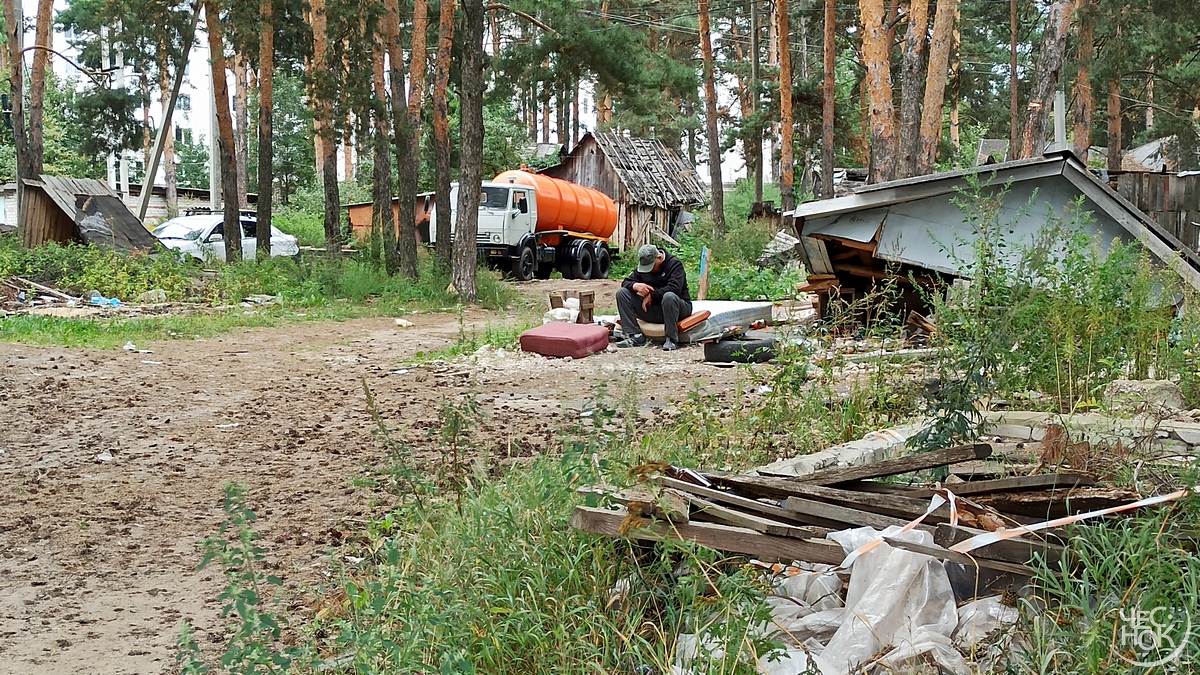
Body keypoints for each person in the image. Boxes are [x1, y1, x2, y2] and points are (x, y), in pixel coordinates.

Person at [616, 244, 693, 351]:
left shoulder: (674, 264)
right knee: (622, 293)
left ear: (659, 258)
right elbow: (626, 282)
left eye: (651, 266)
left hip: (677, 309)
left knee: (669, 296)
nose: (648, 270)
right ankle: (634, 336)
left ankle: (671, 339)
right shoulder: (644, 266)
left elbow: (674, 288)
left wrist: (652, 295)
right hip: (653, 310)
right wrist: (635, 286)